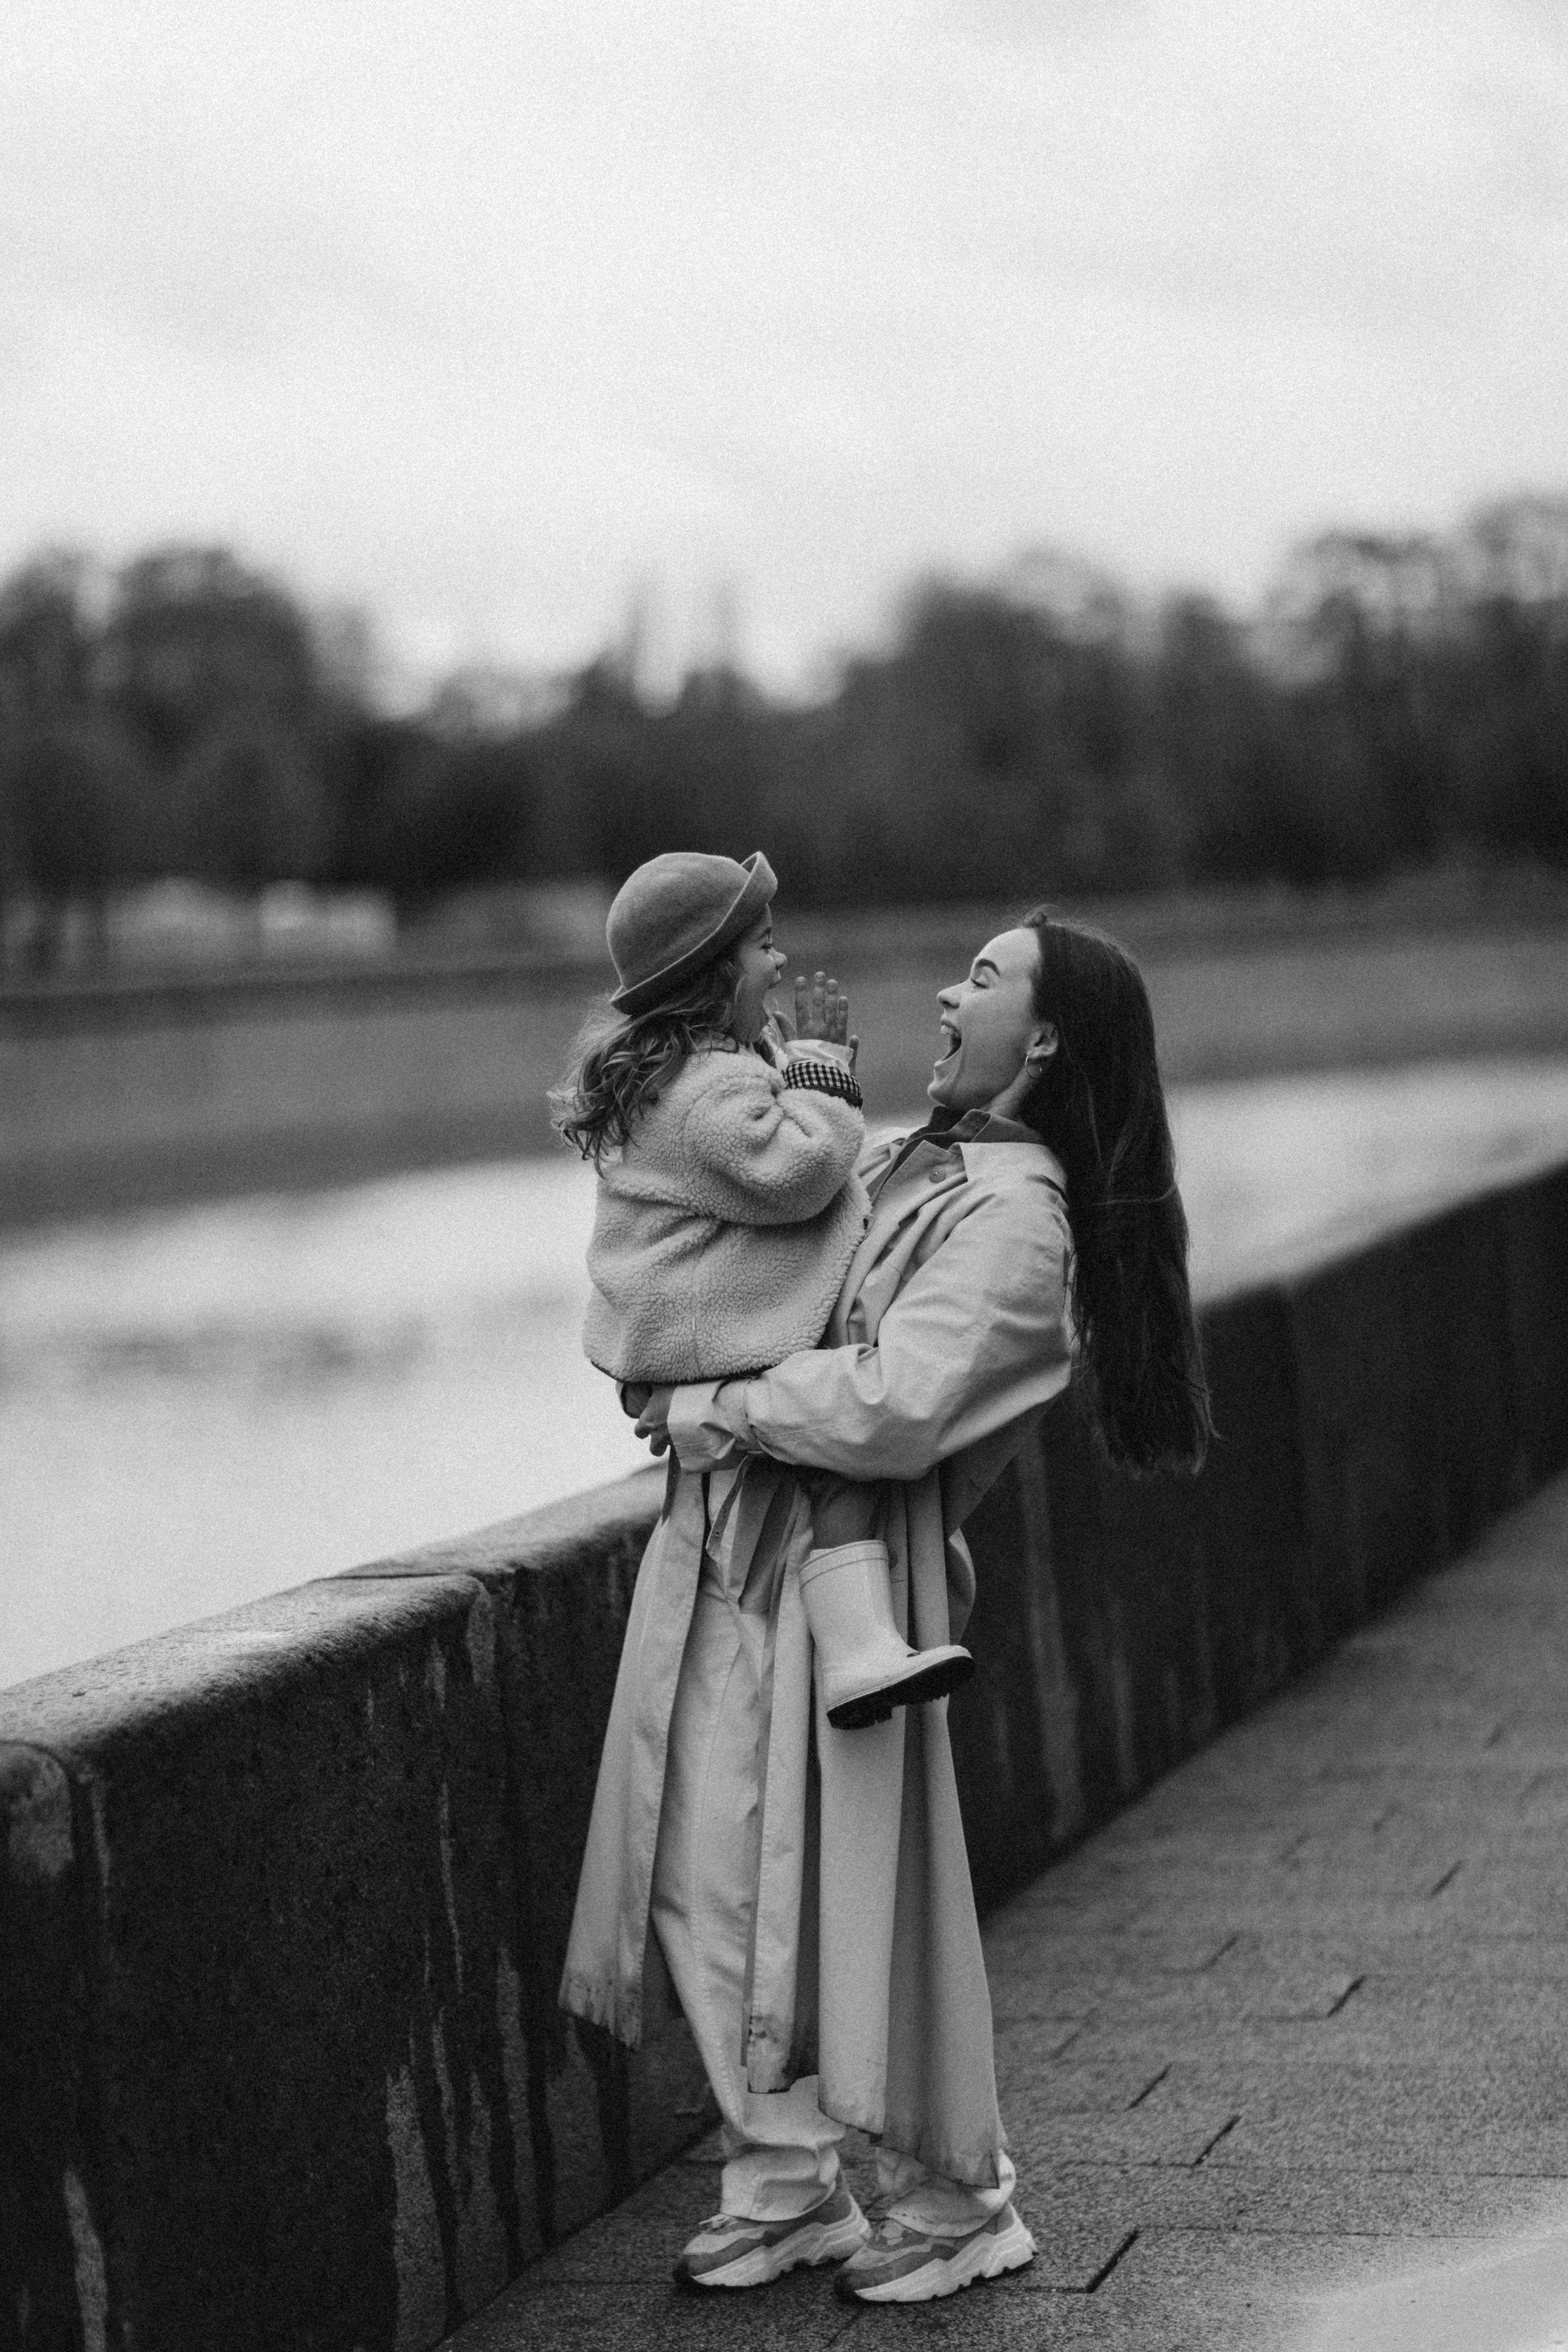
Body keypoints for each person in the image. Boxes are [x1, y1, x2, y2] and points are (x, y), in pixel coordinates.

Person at [560, 908, 1213, 2306]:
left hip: (854, 1593)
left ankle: (959, 2199)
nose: (940, 991)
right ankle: (788, 2178)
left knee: (863, 1904)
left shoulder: (1013, 1215)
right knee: (709, 1885)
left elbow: (899, 1403)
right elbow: (770, 1246)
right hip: (751, 1559)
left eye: (976, 979)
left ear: (1039, 1038)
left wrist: (714, 1405)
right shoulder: (928, 1163)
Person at [553, 847, 973, 1728]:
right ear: (714, 976)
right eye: (764, 948)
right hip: (693, 1330)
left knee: (828, 1462)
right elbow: (804, 1171)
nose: (781, 965)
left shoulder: (694, 1073)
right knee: (830, 1454)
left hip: (669, 1325)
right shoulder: (707, 1091)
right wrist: (820, 1069)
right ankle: (859, 1650)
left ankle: (874, 1634)